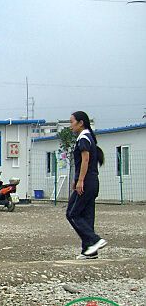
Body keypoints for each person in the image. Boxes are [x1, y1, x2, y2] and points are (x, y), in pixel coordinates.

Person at [66, 111, 108, 259]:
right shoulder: (88, 137)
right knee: (87, 216)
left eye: (72, 122)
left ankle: (95, 240)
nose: (70, 126)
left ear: (80, 123)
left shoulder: (83, 138)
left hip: (87, 182)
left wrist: (80, 180)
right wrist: (76, 179)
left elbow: (85, 160)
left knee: (72, 213)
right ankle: (89, 251)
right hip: (92, 181)